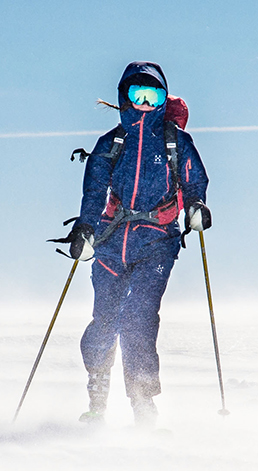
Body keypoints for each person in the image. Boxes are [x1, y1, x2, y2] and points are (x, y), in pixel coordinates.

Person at [52, 62, 211, 427]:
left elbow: (193, 181)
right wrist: (85, 228)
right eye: (136, 96)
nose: (143, 104)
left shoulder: (176, 142)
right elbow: (93, 191)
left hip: (158, 243)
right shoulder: (111, 143)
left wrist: (197, 207)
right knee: (105, 320)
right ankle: (97, 395)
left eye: (152, 96)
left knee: (139, 318)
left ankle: (143, 402)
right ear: (124, 98)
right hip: (111, 242)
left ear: (161, 99)